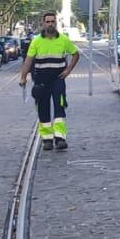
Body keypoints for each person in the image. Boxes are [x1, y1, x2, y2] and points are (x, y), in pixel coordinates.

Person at [19, 11, 79, 150]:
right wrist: (23, 77)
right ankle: (47, 139)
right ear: (43, 23)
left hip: (58, 80)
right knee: (43, 109)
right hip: (41, 81)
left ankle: (60, 138)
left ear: (56, 23)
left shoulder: (63, 40)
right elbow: (28, 61)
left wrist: (68, 70)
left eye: (53, 21)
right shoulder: (36, 41)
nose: (50, 24)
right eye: (48, 21)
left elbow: (75, 54)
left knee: (59, 108)